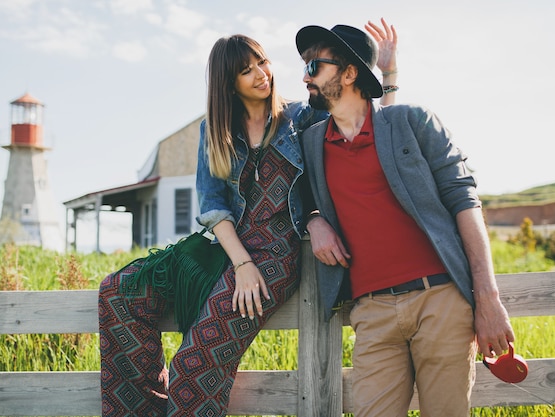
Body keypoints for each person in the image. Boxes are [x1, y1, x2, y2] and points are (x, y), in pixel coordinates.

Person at [98, 20, 397, 416]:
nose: (261, 75)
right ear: (228, 83)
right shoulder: (215, 129)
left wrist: (388, 76)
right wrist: (241, 263)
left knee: (191, 367)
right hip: (227, 250)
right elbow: (213, 204)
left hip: (277, 256)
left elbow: (368, 128)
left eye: (263, 62)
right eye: (246, 70)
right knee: (118, 292)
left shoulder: (301, 117)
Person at [295, 23, 515, 416]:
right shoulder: (310, 143)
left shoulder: (414, 123)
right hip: (372, 313)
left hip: (441, 301)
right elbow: (292, 200)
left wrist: (488, 300)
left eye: (314, 65)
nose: (305, 76)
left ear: (349, 73)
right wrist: (313, 220)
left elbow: (464, 201)